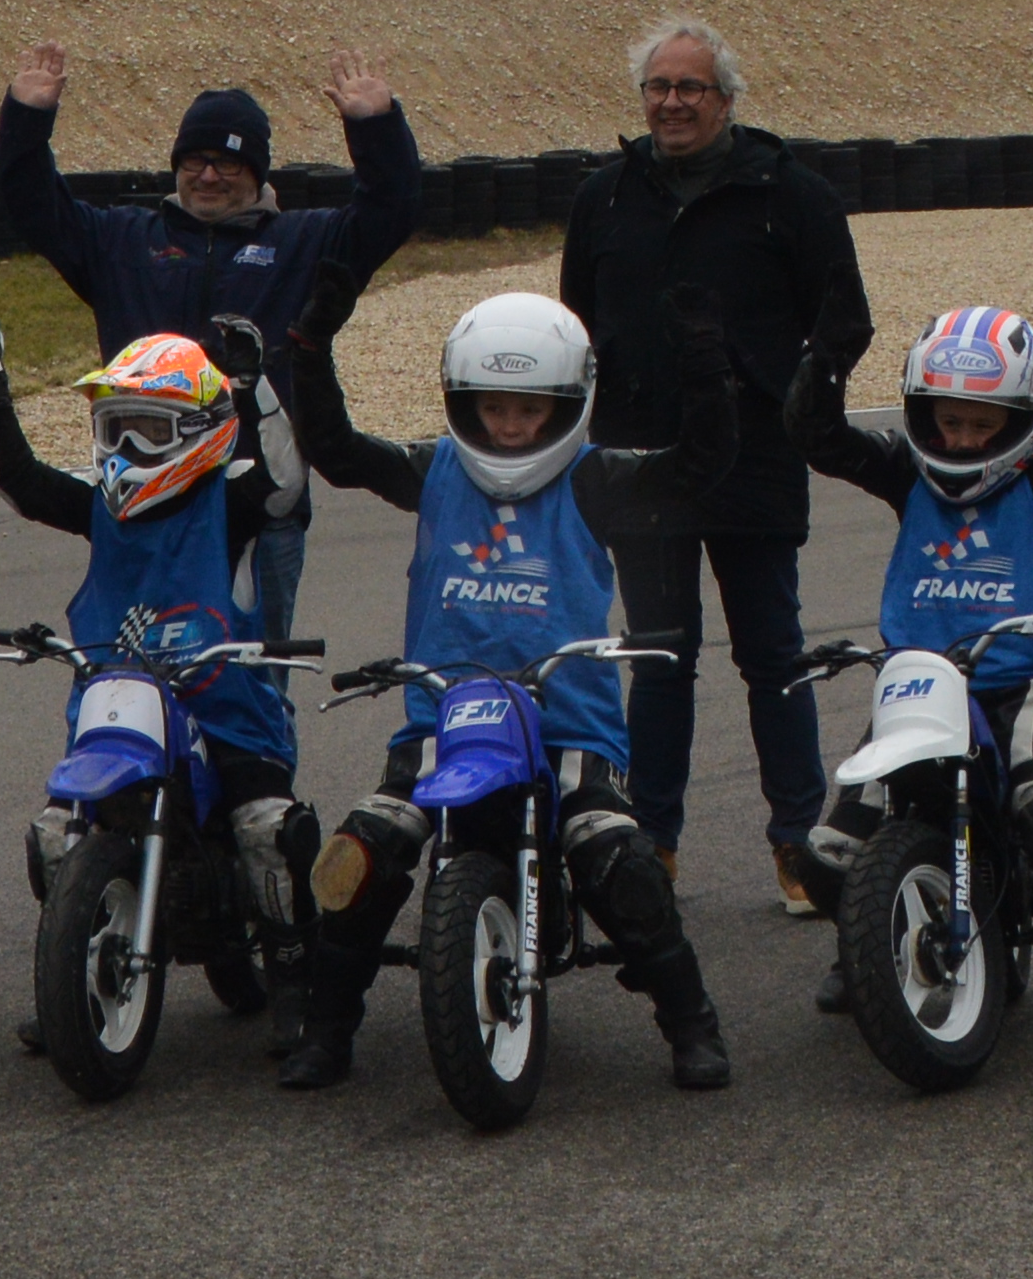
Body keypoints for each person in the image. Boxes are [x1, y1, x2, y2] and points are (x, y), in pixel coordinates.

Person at [268, 288, 734, 1097]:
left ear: (569, 404)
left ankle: (691, 1022)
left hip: (569, 720)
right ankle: (327, 1031)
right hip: (441, 716)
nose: (509, 428)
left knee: (615, 856)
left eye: (528, 410)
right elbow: (339, 451)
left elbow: (700, 464)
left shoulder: (596, 478)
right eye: (491, 409)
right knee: (359, 858)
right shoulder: (434, 469)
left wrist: (704, 363)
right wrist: (311, 352)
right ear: (461, 402)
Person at [785, 307, 1033, 1065]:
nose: (962, 440)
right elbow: (819, 439)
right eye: (948, 422)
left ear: (1023, 420)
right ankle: (869, 946)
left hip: (1012, 686)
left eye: (981, 425)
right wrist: (824, 363)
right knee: (830, 853)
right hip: (915, 686)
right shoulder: (907, 473)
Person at [0, 302, 318, 1066]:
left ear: (197, 431)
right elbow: (17, 480)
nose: (125, 447)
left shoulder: (229, 506)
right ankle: (72, 985)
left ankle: (295, 982)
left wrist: (254, 387)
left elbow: (284, 482)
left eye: (147, 430)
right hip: (117, 716)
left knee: (267, 832)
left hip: (227, 714)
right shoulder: (100, 511)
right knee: (55, 837)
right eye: (115, 428)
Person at [559, 19, 873, 914]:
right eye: (658, 87)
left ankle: (800, 845)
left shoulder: (790, 193)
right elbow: (577, 319)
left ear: (727, 99)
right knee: (658, 659)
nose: (672, 103)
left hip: (755, 462)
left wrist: (793, 398)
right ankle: (650, 843)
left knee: (773, 656)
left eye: (691, 88)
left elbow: (845, 321)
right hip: (642, 468)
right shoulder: (605, 197)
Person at [0, 44, 417, 654]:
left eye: (228, 162)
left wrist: (375, 128)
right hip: (143, 497)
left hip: (259, 500)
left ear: (259, 173)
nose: (209, 175)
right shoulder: (120, 242)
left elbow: (392, 210)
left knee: (255, 678)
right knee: (135, 668)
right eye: (195, 160)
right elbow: (31, 203)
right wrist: (27, 119)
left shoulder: (305, 241)